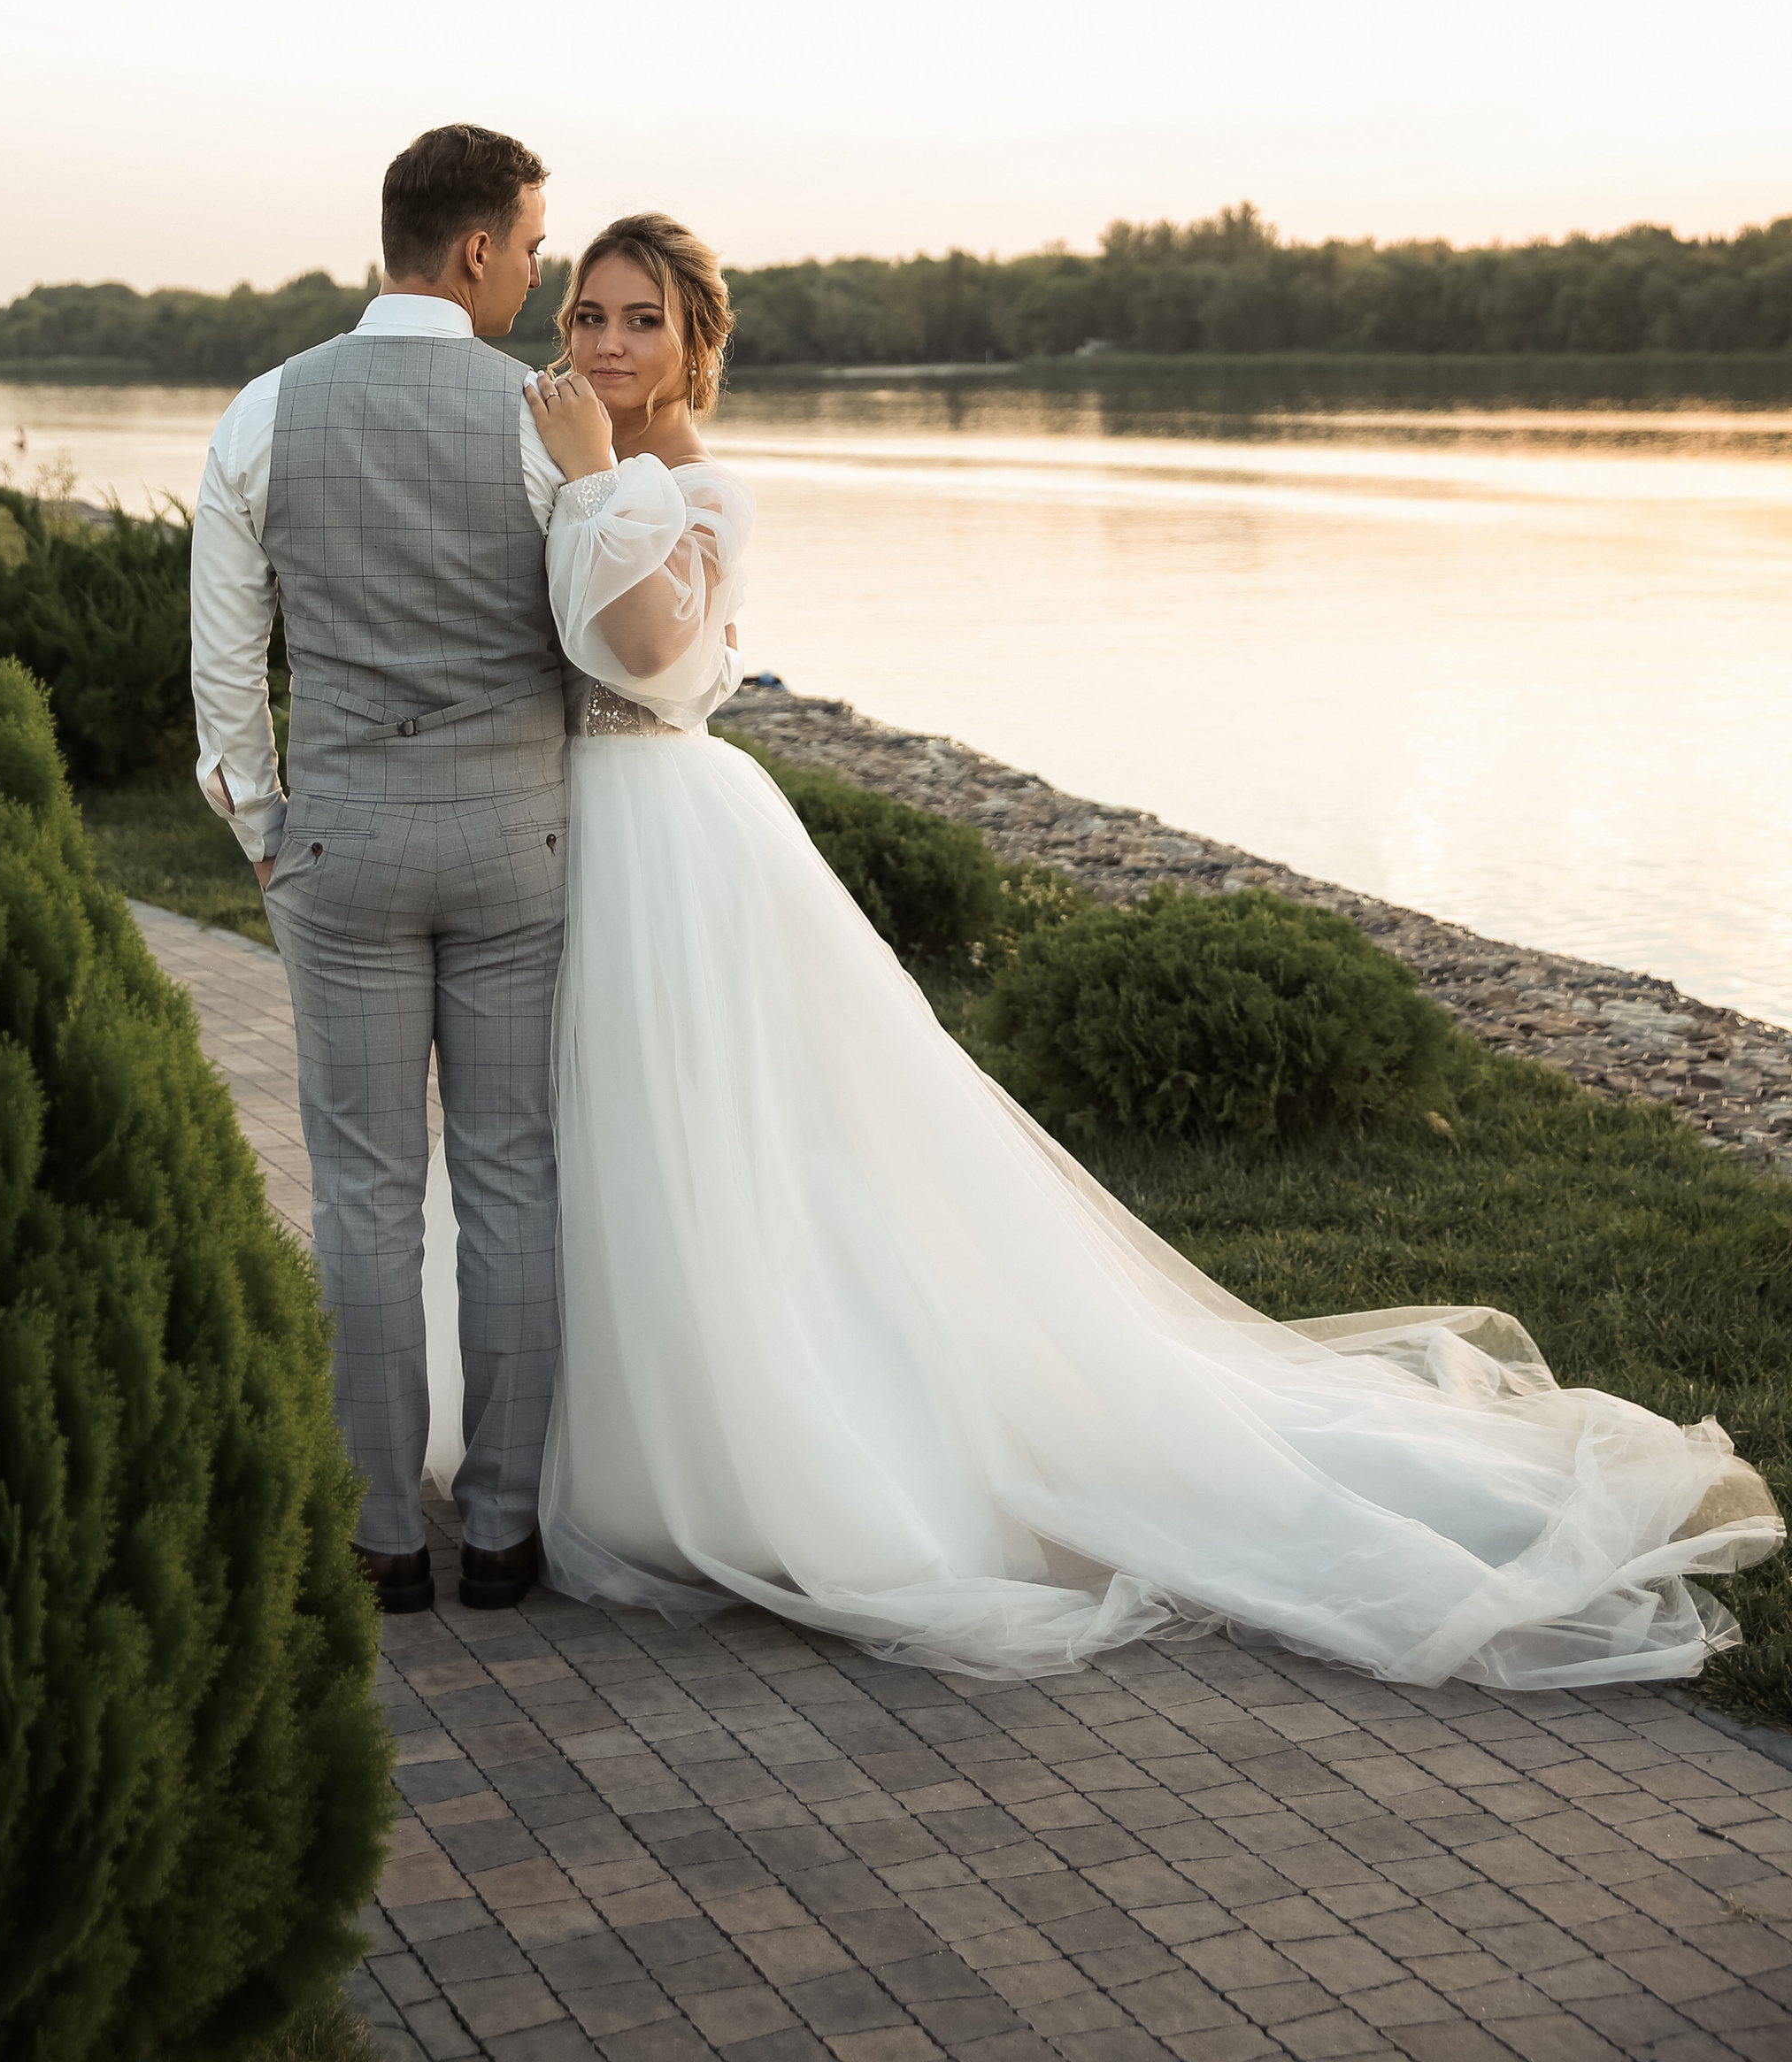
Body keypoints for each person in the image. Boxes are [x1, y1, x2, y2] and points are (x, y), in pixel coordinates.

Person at [418, 211, 1782, 1689]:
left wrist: (594, 481)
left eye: (639, 322)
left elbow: (653, 653)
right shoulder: (577, 471)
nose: (605, 346)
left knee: (705, 1141)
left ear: (697, 344)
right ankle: (569, 1437)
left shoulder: (689, 485)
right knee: (571, 1144)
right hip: (558, 839)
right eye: (587, 319)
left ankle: (751, 1451)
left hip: (673, 835)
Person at [190, 120, 567, 1618]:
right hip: (515, 849)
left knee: (359, 1190)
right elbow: (601, 637)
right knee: (513, 1181)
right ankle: (505, 1532)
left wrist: (265, 834)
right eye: (534, 246)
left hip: (338, 846)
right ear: (472, 248)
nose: (539, 274)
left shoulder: (264, 412)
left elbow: (226, 680)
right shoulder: (548, 420)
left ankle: (378, 1536)